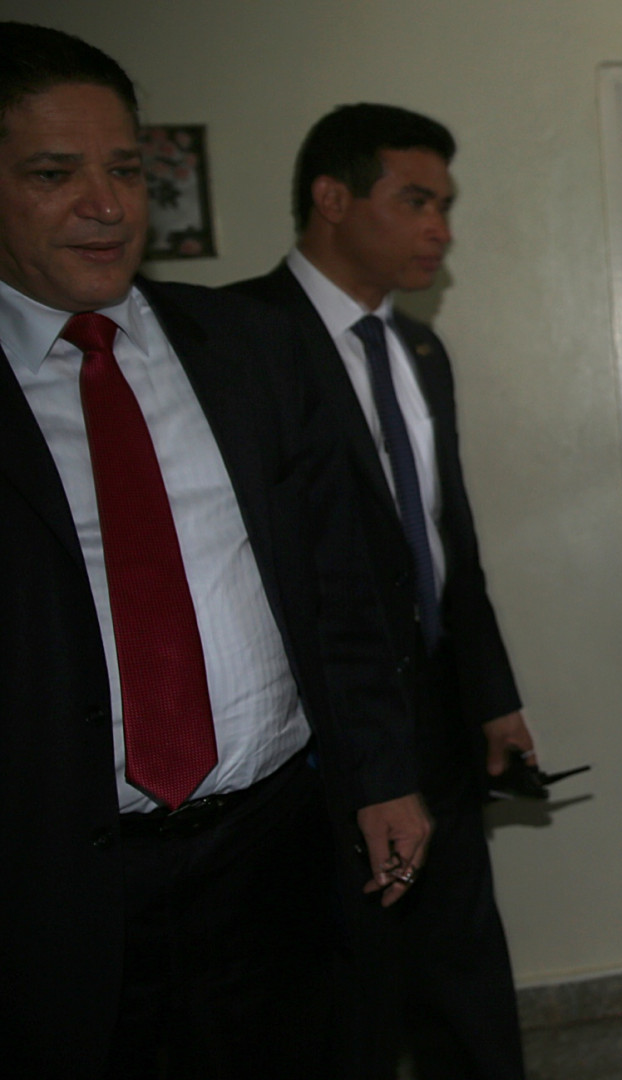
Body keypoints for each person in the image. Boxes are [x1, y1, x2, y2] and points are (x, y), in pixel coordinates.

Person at [0, 24, 428, 1077]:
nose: (105, 205)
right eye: (54, 175)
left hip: (275, 858)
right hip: (60, 894)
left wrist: (383, 773)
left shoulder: (248, 348)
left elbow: (342, 586)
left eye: (125, 170)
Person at [228, 104, 530, 1080]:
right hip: (321, 732)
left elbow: (449, 541)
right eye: (415, 202)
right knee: (348, 993)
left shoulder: (419, 352)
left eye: (444, 205)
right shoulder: (240, 341)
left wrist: (492, 697)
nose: (440, 229)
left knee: (465, 976)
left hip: (438, 708)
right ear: (332, 198)